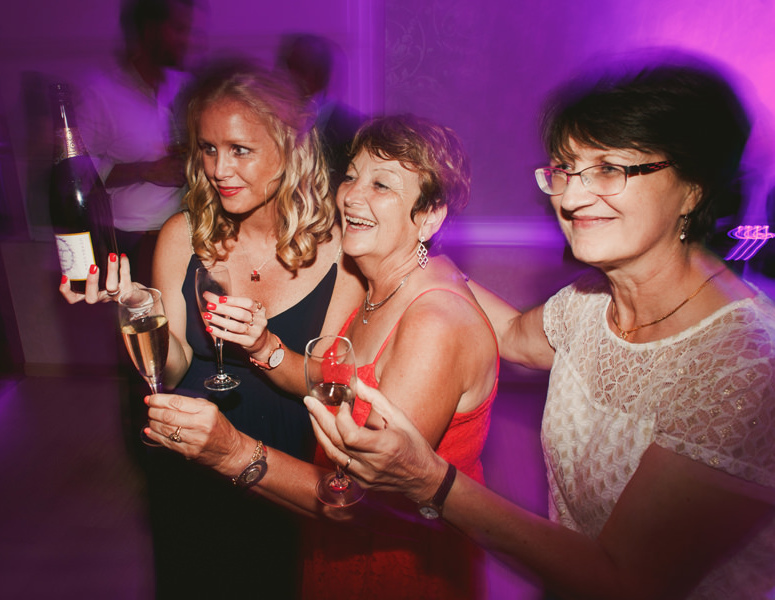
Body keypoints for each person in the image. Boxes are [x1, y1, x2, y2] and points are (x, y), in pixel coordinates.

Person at [308, 58, 775, 599]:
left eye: (609, 169)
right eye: (565, 170)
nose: (570, 198)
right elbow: (510, 334)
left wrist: (431, 480)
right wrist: (413, 261)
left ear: (692, 187)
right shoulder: (588, 304)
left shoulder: (743, 364)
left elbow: (624, 580)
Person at [144, 115, 499, 599]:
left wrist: (232, 451)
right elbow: (331, 381)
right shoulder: (379, 286)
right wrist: (264, 345)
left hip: (396, 564)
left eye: (381, 185)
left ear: (430, 216)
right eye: (350, 176)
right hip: (338, 546)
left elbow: (368, 503)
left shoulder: (432, 325)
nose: (351, 196)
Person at [65, 63, 365, 598]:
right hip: (193, 453)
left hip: (285, 460)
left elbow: (328, 381)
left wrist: (265, 346)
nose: (218, 169)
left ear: (291, 146)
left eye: (239, 150)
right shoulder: (183, 234)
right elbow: (175, 363)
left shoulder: (340, 251)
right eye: (207, 148)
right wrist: (134, 310)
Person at [75, 0, 195, 285]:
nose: (186, 40)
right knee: (146, 311)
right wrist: (146, 171)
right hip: (135, 240)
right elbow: (80, 172)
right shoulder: (101, 95)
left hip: (188, 232)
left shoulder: (186, 86)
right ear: (150, 31)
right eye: (178, 29)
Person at [276, 33, 365, 193]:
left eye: (300, 68)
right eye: (287, 67)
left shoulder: (355, 127)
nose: (291, 76)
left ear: (323, 74)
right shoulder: (271, 118)